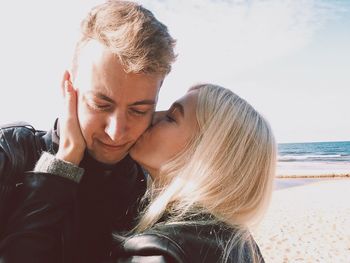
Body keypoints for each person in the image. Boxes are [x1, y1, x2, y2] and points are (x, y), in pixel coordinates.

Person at [1, 83, 276, 262]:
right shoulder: (242, 245)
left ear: (206, 153)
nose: (152, 117)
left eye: (171, 117)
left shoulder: (161, 252)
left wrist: (64, 163)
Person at [0, 1, 176, 262]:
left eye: (138, 111)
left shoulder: (152, 193)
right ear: (68, 87)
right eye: (101, 105)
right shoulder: (10, 155)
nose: (116, 132)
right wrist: (64, 164)